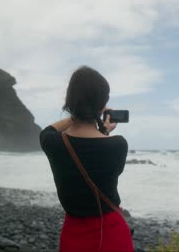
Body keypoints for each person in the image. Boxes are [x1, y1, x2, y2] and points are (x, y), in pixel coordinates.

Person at [39, 66, 134, 251]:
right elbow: (98, 155)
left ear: (70, 100)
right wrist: (102, 127)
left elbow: (48, 130)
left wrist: (76, 115)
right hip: (112, 233)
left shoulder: (52, 142)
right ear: (102, 104)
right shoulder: (118, 145)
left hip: (73, 236)